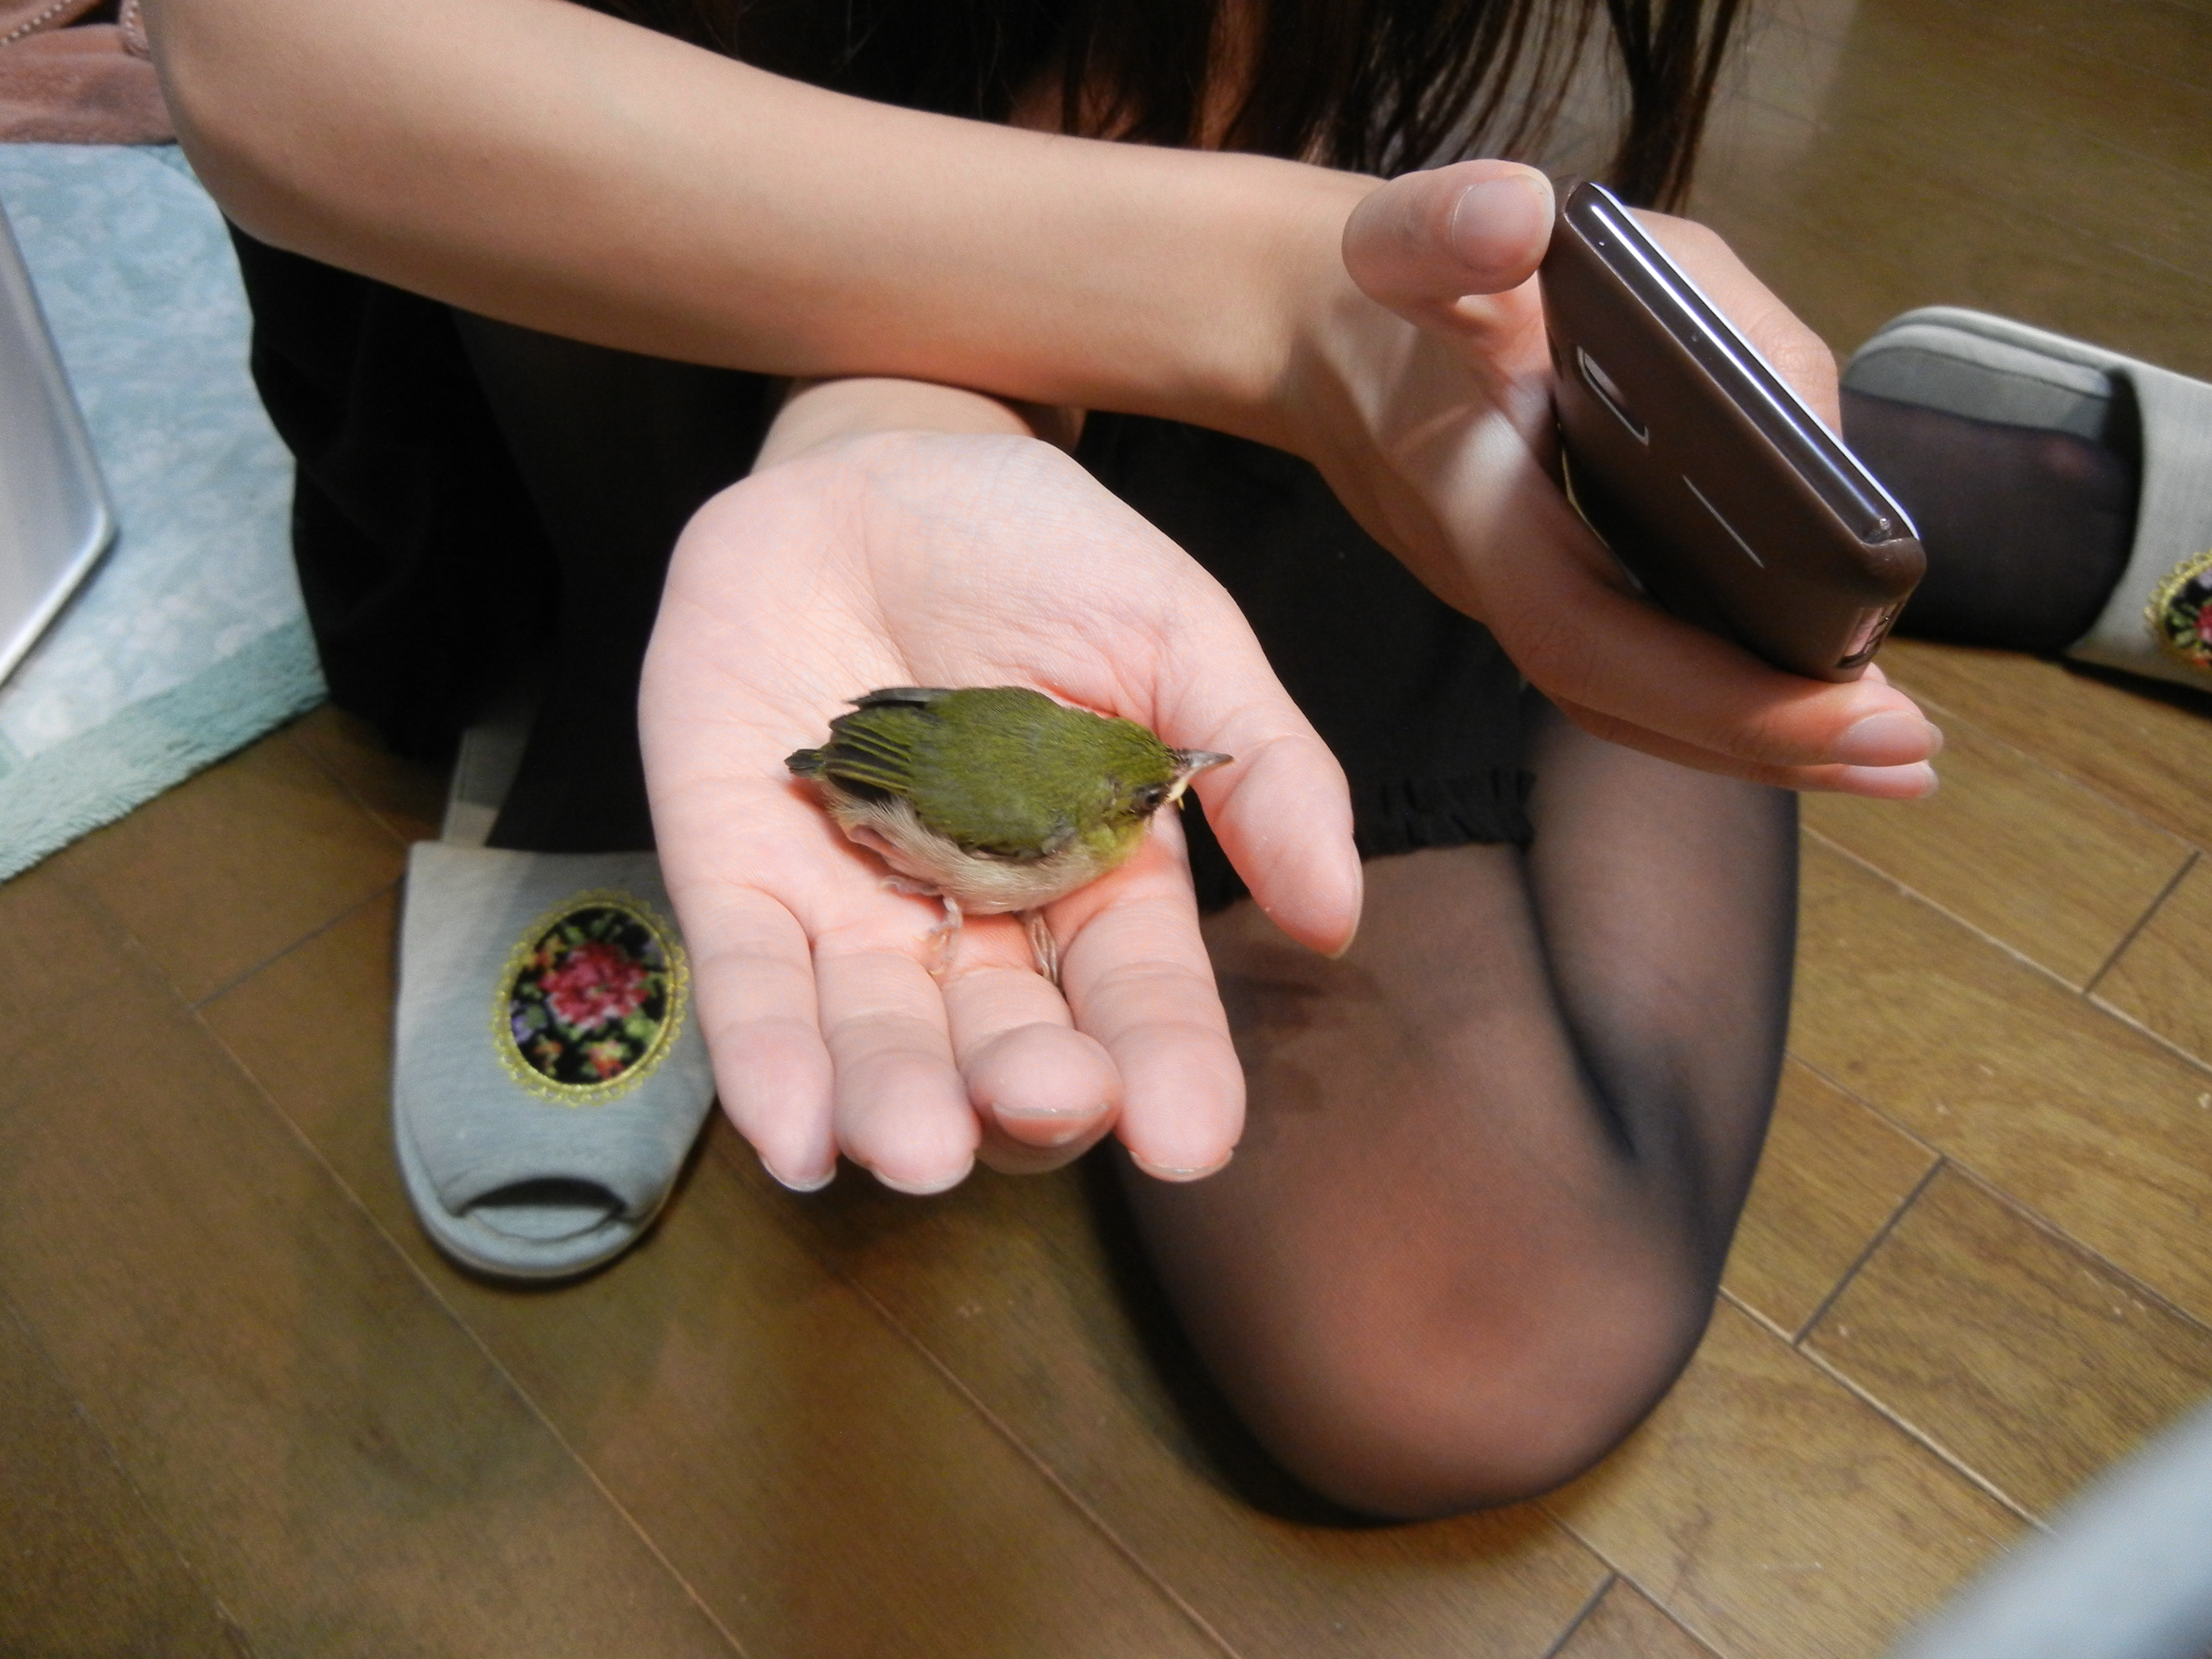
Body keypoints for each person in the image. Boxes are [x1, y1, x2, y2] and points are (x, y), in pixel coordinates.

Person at [146, 0, 1961, 1518]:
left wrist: (945, 393)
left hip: (1114, 260)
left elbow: (1170, 43)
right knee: (1443, 1356)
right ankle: (599, 664)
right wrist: (1204, 313)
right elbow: (268, 50)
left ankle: (1870, 497)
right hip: (531, 258)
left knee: (1472, 1343)